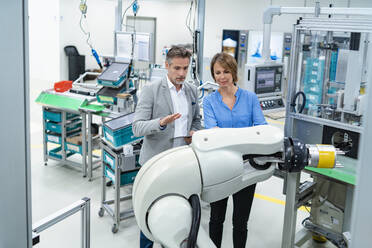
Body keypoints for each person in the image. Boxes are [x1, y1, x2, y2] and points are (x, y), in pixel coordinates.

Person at [132, 46, 202, 248]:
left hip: (183, 163)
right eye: (177, 68)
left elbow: (196, 120)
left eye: (185, 69)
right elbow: (137, 127)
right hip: (156, 164)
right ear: (167, 66)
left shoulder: (191, 91)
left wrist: (193, 133)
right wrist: (161, 123)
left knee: (182, 212)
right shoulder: (151, 91)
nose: (182, 74)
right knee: (150, 213)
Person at [203, 52, 267, 248]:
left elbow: (261, 128)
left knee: (240, 222)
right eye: (217, 72)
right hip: (219, 167)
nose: (221, 77)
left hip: (247, 167)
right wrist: (245, 136)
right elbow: (212, 134)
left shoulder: (250, 98)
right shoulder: (209, 101)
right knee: (216, 219)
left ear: (233, 72)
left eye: (226, 71)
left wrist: (227, 135)